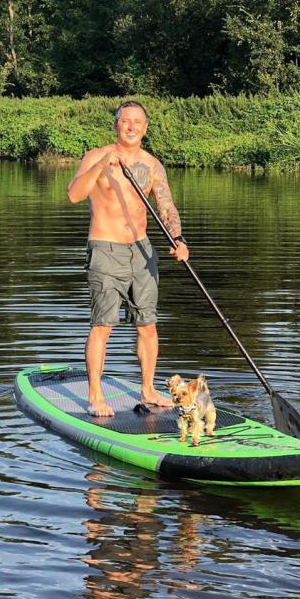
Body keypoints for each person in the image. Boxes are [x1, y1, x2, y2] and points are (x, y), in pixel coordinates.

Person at [67, 101, 189, 417]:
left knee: (148, 324)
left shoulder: (152, 166)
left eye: (137, 122)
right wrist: (103, 163)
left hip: (142, 251)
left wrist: (179, 239)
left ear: (145, 128)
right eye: (125, 121)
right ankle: (95, 395)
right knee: (103, 324)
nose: (131, 126)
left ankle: (148, 389)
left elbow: (166, 206)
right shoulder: (96, 156)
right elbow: (74, 194)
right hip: (106, 248)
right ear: (116, 125)